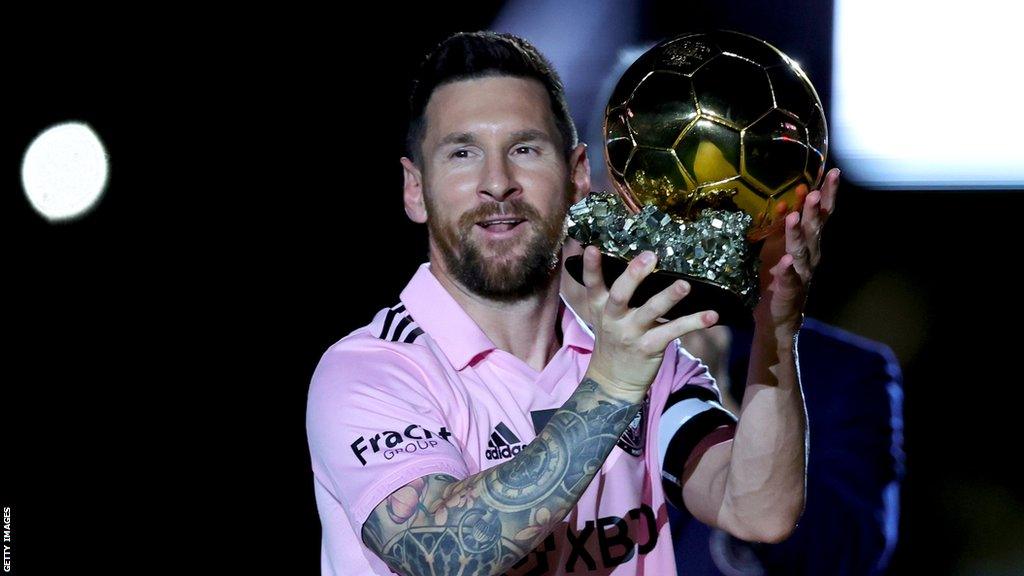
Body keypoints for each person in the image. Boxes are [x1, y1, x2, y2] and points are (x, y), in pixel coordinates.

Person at [305, 31, 839, 576]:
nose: (498, 183)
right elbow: (443, 556)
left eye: (524, 149)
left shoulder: (643, 356)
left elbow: (758, 511)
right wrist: (611, 387)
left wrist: (777, 324)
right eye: (462, 153)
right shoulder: (370, 372)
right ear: (415, 190)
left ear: (579, 174)